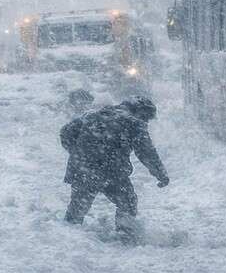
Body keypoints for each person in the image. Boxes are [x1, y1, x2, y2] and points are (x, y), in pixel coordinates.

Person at [60, 95, 169, 241]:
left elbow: (66, 132)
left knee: (77, 207)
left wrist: (79, 153)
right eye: (146, 117)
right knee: (128, 202)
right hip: (112, 173)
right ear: (140, 111)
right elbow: (146, 152)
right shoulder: (134, 123)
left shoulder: (92, 115)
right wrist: (160, 174)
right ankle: (125, 234)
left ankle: (66, 239)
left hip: (83, 170)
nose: (146, 121)